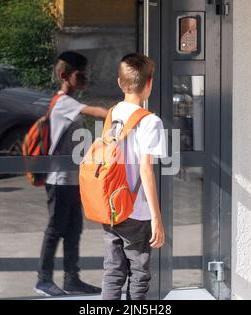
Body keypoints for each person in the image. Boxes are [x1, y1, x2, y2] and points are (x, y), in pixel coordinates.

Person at [35, 51, 108, 297]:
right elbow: (96, 112)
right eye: (80, 74)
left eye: (86, 73)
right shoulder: (64, 102)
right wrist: (123, 114)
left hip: (72, 179)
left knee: (74, 229)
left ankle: (71, 279)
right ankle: (43, 280)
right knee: (55, 229)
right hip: (59, 180)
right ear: (65, 76)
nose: (85, 78)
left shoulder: (70, 102)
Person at [101, 53, 167, 300]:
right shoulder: (150, 121)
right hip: (135, 211)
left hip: (110, 205)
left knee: (113, 271)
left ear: (120, 83)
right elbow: (145, 169)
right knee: (139, 273)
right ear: (150, 84)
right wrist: (156, 218)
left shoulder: (113, 113)